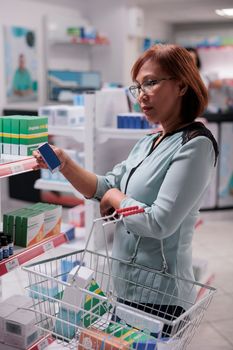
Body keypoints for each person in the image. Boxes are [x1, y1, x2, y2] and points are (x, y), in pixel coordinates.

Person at [33, 44, 218, 334]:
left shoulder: (196, 145)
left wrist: (115, 198)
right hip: (126, 287)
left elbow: (159, 221)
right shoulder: (148, 142)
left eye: (151, 82)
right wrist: (66, 163)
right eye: (137, 87)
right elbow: (104, 185)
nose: (141, 94)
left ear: (181, 85)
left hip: (161, 298)